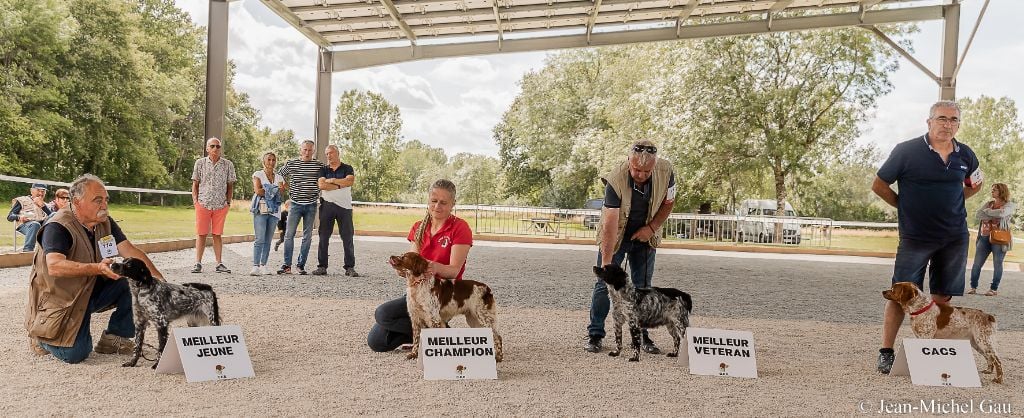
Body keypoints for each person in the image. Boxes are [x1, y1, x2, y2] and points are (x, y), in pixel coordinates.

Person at [871, 100, 983, 374]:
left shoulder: (966, 155)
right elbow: (879, 184)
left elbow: (975, 184)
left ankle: (934, 351)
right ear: (929, 121)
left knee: (943, 295)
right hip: (915, 236)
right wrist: (904, 206)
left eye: (954, 120)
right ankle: (886, 352)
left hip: (954, 236)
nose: (948, 124)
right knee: (900, 294)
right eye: (942, 118)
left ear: (959, 124)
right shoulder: (906, 151)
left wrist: (956, 201)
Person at [25, 174, 165, 363]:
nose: (104, 205)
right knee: (76, 354)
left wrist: (159, 280)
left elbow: (130, 251)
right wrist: (97, 268)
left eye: (105, 199)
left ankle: (114, 338)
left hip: (88, 290)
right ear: (77, 202)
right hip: (61, 298)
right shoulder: (57, 226)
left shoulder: (105, 222)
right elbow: (55, 266)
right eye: (97, 200)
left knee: (139, 280)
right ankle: (41, 338)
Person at [585, 140, 676, 354]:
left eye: (646, 171)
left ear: (654, 166)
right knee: (602, 286)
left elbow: (669, 202)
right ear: (629, 161)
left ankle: (643, 336)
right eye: (636, 169)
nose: (641, 175)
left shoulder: (666, 171)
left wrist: (651, 228)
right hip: (616, 235)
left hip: (645, 235)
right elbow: (610, 223)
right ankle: (595, 335)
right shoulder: (615, 179)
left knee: (643, 286)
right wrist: (607, 263)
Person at [367, 179, 472, 352]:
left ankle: (442, 333)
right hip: (418, 289)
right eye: (434, 201)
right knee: (377, 342)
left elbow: (454, 270)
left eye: (443, 202)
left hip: (441, 294)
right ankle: (434, 332)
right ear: (428, 201)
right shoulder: (418, 227)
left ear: (453, 204)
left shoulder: (460, 228)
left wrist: (436, 268)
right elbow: (412, 263)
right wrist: (403, 270)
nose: (437, 206)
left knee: (383, 313)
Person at [190, 137, 237, 274]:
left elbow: (230, 186)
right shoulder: (200, 163)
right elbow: (195, 184)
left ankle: (219, 263)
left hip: (220, 205)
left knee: (217, 234)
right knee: (201, 234)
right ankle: (197, 263)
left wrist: (228, 203)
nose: (216, 149)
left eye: (218, 146)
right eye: (213, 146)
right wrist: (195, 202)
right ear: (207, 148)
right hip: (203, 204)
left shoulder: (228, 165)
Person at [277, 140, 324, 275]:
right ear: (300, 150)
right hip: (295, 204)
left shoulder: (319, 165)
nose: (307, 152)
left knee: (307, 237)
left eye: (310, 150)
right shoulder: (292, 164)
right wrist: (285, 185)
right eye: (305, 150)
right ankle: (287, 265)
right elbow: (279, 174)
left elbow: (324, 180)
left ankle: (300, 265)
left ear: (313, 151)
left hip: (311, 205)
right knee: (288, 235)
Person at [314, 144, 359, 276]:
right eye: (327, 154)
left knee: (347, 237)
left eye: (331, 153)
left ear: (337, 153)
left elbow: (349, 182)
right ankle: (322, 266)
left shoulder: (347, 168)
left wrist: (332, 180)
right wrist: (340, 184)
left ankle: (349, 267)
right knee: (323, 237)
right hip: (327, 206)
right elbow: (322, 185)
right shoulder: (323, 169)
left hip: (344, 207)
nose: (329, 156)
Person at [968, 183, 1015, 296]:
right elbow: (978, 215)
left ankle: (993, 289)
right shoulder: (989, 203)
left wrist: (988, 212)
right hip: (984, 237)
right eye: (992, 189)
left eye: (995, 190)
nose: (992, 191)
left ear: (1001, 191)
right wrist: (994, 213)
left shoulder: (1010, 205)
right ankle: (973, 287)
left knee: (997, 263)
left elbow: (1003, 213)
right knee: (977, 264)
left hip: (999, 238)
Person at [250, 151, 286, 276]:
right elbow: (258, 191)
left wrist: (267, 188)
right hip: (261, 209)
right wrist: (274, 189)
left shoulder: (279, 177)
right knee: (259, 238)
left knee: (268, 239)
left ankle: (263, 265)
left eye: (273, 160)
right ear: (264, 161)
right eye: (269, 159)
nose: (271, 162)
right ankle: (255, 266)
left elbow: (282, 192)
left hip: (274, 210)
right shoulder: (258, 174)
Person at [8, 183, 53, 252]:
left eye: (43, 191)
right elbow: (10, 216)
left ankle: (53, 250)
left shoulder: (46, 205)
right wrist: (19, 217)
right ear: (31, 191)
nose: (41, 193)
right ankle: (27, 251)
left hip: (43, 226)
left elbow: (54, 217)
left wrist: (43, 206)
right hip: (26, 225)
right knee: (35, 224)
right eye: (38, 190)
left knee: (54, 215)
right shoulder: (22, 200)